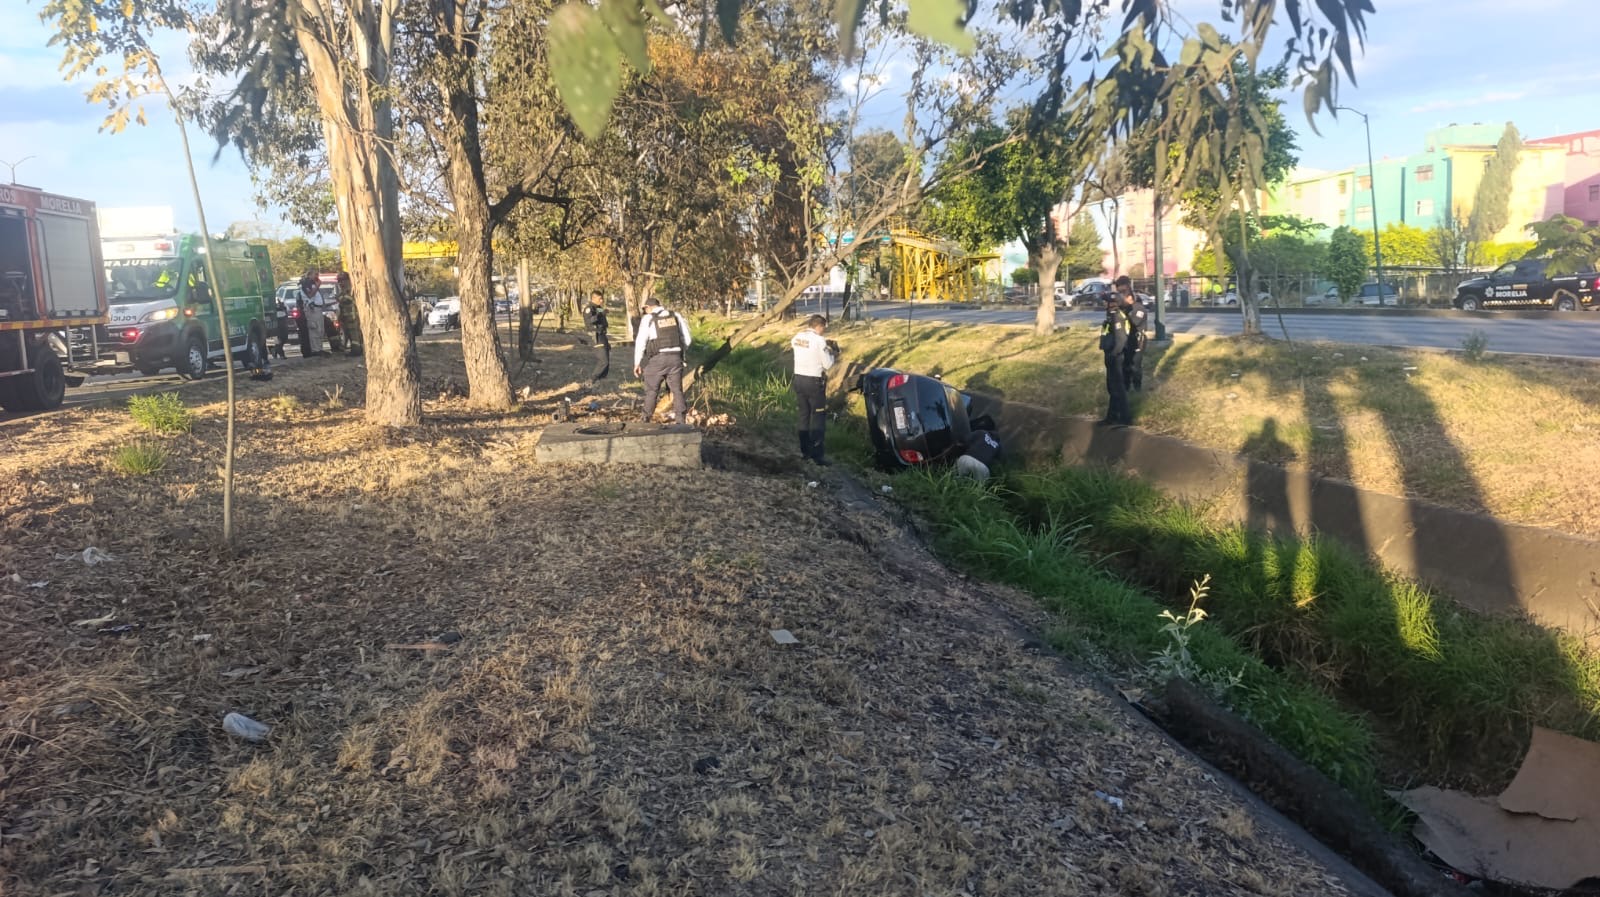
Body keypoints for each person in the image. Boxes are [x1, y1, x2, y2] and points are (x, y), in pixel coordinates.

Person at [633, 298, 692, 424]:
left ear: (648, 307)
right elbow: (687, 339)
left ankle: (645, 419)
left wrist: (637, 362)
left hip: (657, 359)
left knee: (652, 391)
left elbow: (640, 342)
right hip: (676, 359)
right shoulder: (676, 316)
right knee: (677, 391)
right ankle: (681, 421)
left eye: (645, 309)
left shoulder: (648, 319)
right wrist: (679, 351)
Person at [790, 314, 836, 465]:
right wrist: (833, 352)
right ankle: (817, 456)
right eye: (824, 328)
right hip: (814, 382)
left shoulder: (797, 337)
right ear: (819, 326)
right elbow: (827, 364)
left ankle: (805, 452)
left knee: (803, 415)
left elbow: (803, 349)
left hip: (799, 379)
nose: (824, 331)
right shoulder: (819, 340)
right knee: (818, 417)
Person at [1098, 288, 1131, 427]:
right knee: (1112, 388)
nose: (1104, 303)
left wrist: (1114, 353)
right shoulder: (1111, 316)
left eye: (1106, 301)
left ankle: (1125, 419)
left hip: (1115, 356)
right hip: (1110, 354)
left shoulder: (1117, 316)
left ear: (1112, 303)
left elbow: (1121, 339)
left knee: (1118, 388)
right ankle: (1111, 417)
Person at [1117, 276, 1148, 392]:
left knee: (1135, 365)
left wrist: (1125, 311)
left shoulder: (1138, 308)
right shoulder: (1121, 309)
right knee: (1125, 365)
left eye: (1124, 295)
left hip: (1137, 341)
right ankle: (1126, 387)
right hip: (1124, 341)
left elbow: (1134, 323)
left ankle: (1137, 387)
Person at [583, 290, 611, 383]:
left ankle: (602, 379)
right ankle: (592, 380)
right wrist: (601, 314)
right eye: (600, 299)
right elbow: (590, 321)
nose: (602, 300)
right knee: (603, 360)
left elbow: (602, 316)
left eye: (602, 298)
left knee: (607, 359)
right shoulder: (589, 308)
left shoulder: (598, 308)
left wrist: (604, 312)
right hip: (596, 336)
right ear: (593, 298)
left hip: (602, 335)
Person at [297, 274, 325, 357]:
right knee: (314, 329)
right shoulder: (306, 284)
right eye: (315, 274)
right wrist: (317, 285)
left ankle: (319, 349)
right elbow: (310, 295)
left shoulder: (312, 284)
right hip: (312, 310)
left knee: (320, 330)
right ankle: (315, 350)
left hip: (318, 309)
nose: (317, 276)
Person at [335, 272, 361, 356]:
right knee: (348, 334)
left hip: (353, 316)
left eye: (342, 280)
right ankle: (353, 348)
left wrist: (341, 297)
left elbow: (349, 299)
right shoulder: (342, 291)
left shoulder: (352, 289)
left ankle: (357, 350)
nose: (340, 283)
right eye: (339, 281)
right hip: (345, 316)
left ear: (347, 280)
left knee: (354, 334)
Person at [272, 295, 289, 359]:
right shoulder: (270, 303)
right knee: (279, 339)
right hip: (276, 322)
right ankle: (281, 354)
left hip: (283, 321)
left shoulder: (280, 300)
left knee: (285, 338)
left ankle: (275, 349)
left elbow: (286, 310)